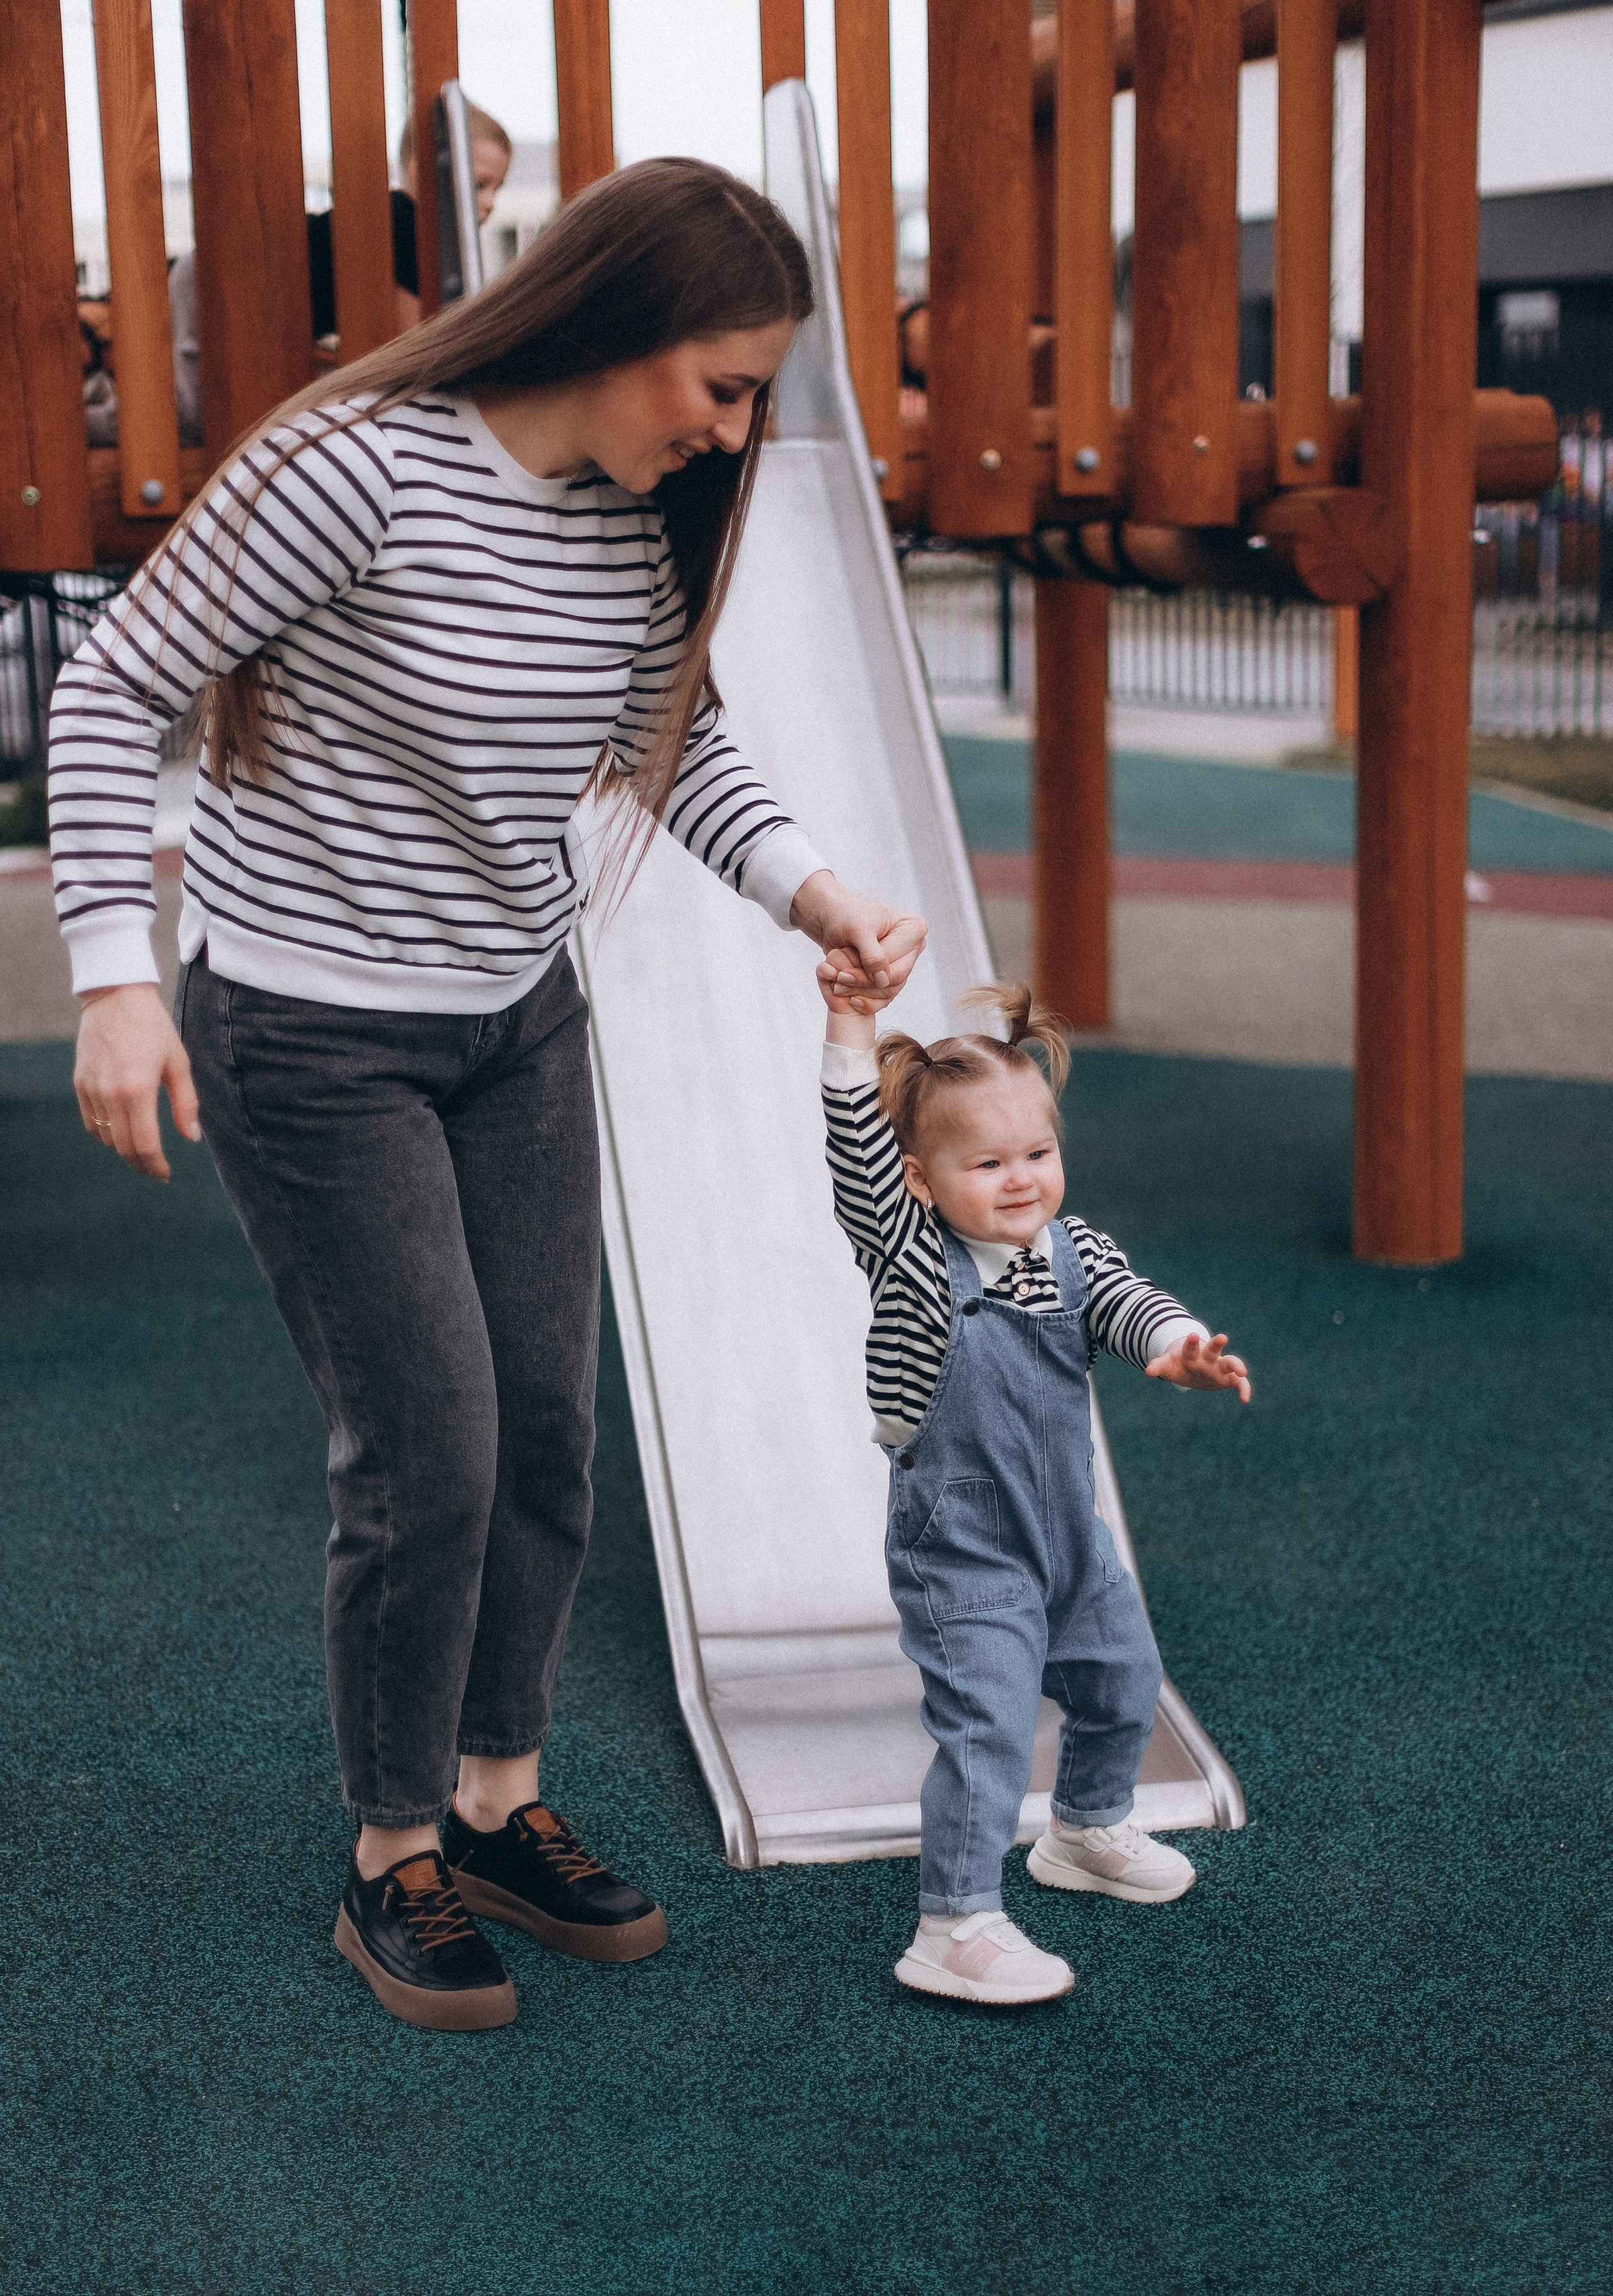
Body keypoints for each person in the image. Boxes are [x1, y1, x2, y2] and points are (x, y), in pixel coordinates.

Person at [50, 157, 926, 2033]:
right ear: (612, 326)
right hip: (308, 1033)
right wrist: (116, 980)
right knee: (428, 1450)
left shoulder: (630, 523)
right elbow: (111, 689)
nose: (734, 426)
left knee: (547, 1430)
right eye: (721, 379)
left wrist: (814, 891)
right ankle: (391, 1852)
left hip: (517, 1021)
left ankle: (496, 1795)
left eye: (755, 392)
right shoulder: (356, 467)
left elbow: (669, 745)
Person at [816, 969, 1250, 2006]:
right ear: (919, 1181)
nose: (1022, 1180)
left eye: (1039, 1153)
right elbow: (853, 1148)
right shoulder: (911, 1253)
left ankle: (1087, 1826)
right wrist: (849, 1021)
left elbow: (1131, 1299)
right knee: (992, 1725)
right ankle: (955, 1921)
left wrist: (1180, 1341)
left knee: (1122, 1676)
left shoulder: (1072, 1250)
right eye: (988, 1162)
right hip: (962, 1543)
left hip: (1067, 1532)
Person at [306, 99, 514, 342]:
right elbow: (412, 339)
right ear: (424, 175)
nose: (491, 203)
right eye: (479, 185)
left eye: (496, 189)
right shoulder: (403, 220)